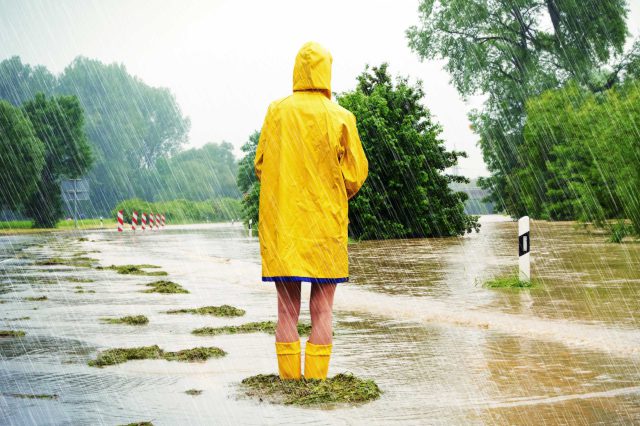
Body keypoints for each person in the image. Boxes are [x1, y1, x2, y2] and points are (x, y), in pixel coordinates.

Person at [254, 41, 369, 380]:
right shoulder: (341, 117)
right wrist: (332, 190)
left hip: (284, 226)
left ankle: (289, 386)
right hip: (325, 227)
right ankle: (317, 384)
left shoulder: (277, 111)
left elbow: (260, 165)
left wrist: (286, 182)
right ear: (327, 73)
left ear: (297, 71)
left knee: (286, 311)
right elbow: (355, 174)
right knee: (323, 310)